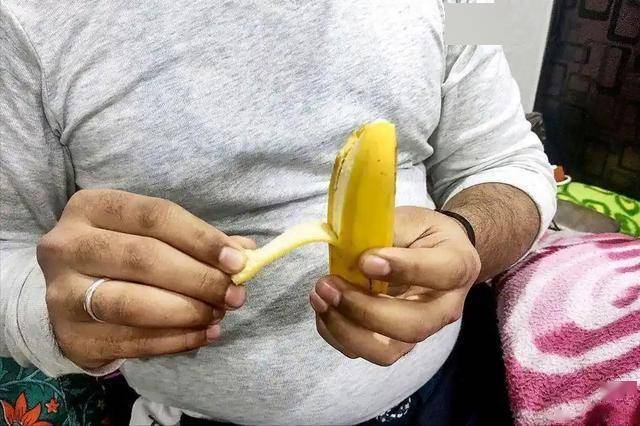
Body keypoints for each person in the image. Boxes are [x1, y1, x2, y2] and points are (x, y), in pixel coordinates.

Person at [0, 1, 556, 424]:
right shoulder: (28, 20)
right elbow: (10, 247)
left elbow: (507, 161)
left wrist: (465, 236)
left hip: (439, 399)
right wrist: (55, 314)